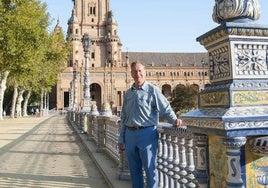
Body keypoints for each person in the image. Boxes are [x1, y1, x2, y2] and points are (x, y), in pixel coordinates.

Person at [118, 61, 182, 188]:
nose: (138, 74)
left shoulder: (153, 90)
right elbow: (124, 116)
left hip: (147, 134)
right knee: (134, 171)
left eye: (140, 71)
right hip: (130, 135)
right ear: (131, 74)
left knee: (150, 170)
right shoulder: (129, 93)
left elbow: (165, 107)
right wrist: (121, 138)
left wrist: (174, 120)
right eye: (135, 71)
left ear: (145, 72)